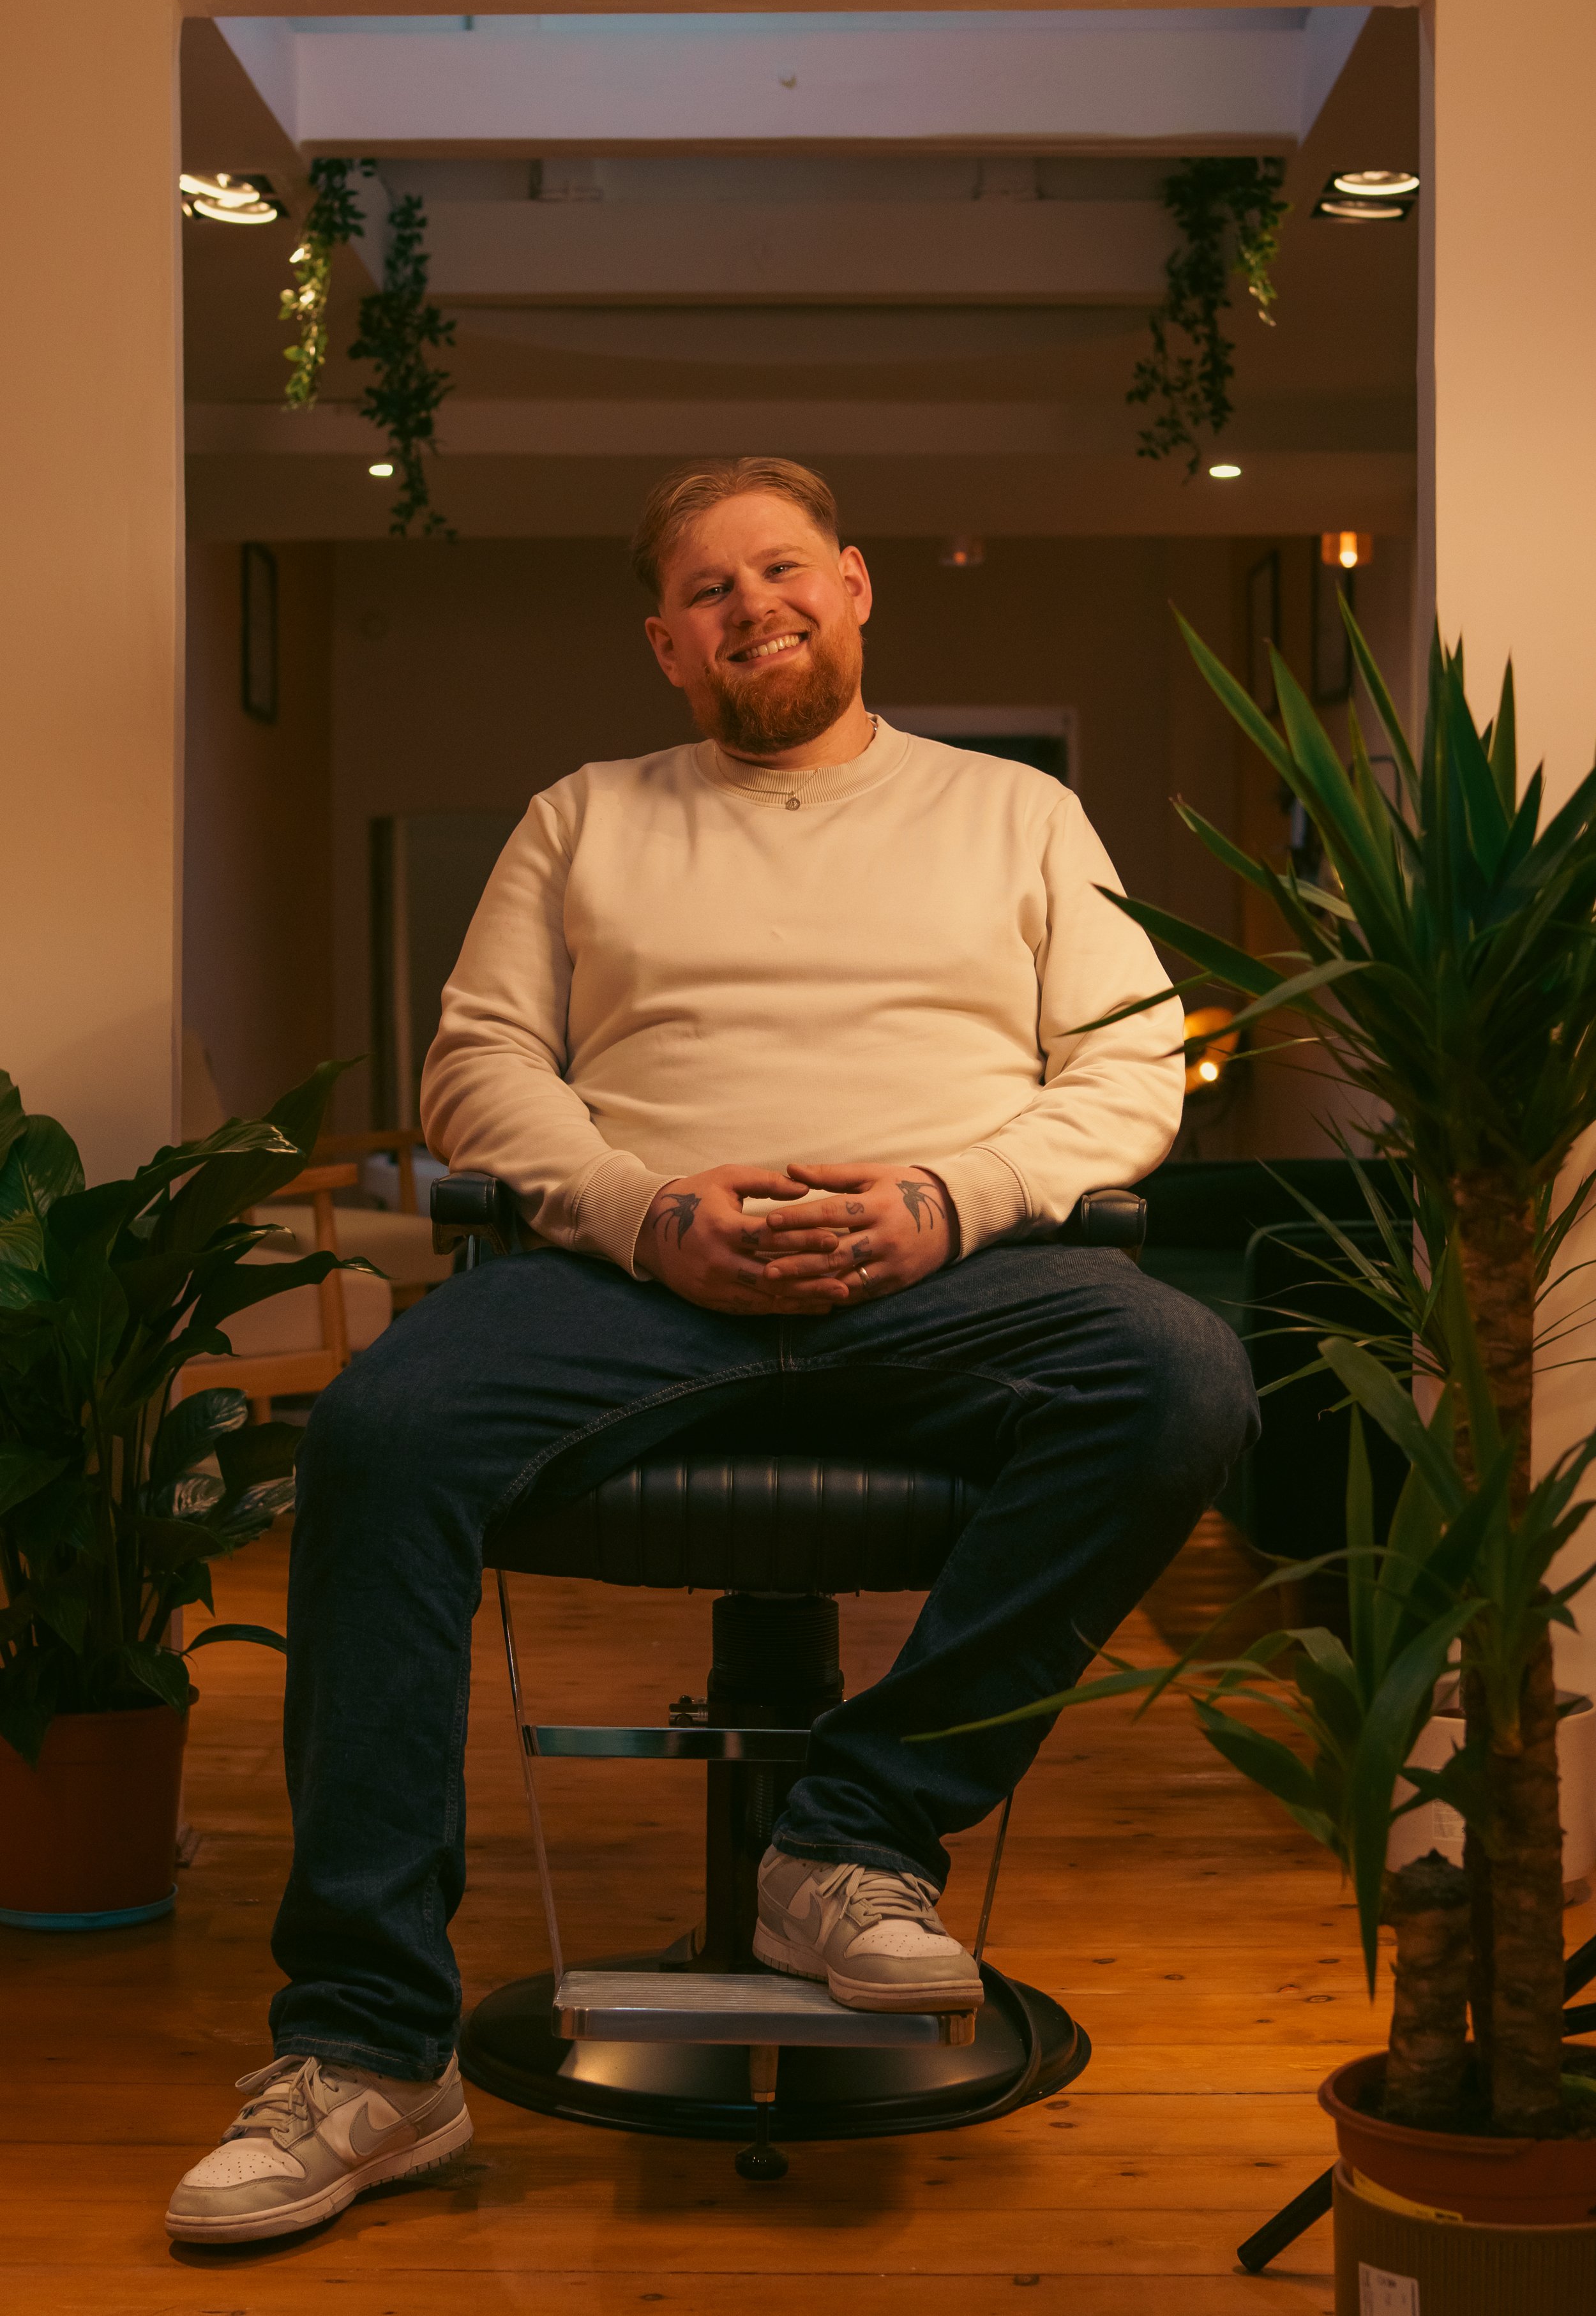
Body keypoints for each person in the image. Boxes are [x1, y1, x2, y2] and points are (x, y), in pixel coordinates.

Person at [166, 457, 1257, 2244]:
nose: (751, 604)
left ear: (855, 585)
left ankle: (848, 1839)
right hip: (631, 1277)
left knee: (1181, 1375)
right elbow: (478, 1069)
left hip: (943, 1274)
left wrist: (948, 1193)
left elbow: (1127, 1069)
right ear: (664, 644)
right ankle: (369, 2057)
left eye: (781, 567)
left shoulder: (1015, 817)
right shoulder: (583, 813)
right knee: (376, 1430)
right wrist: (641, 1205)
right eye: (706, 588)